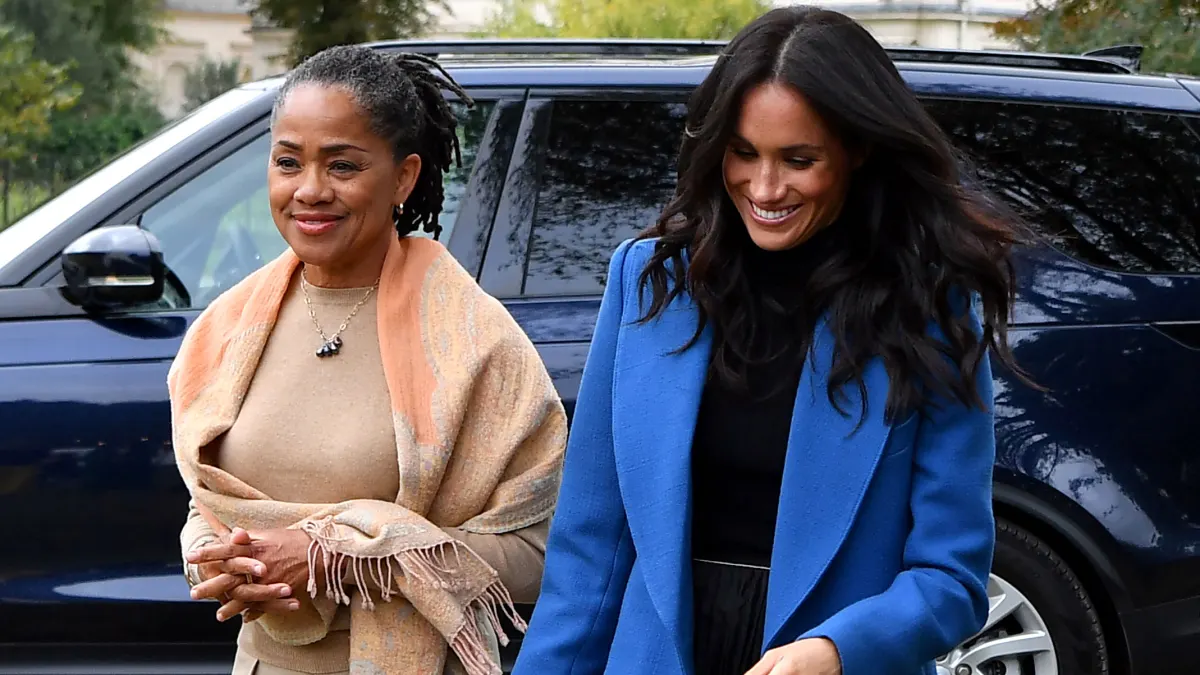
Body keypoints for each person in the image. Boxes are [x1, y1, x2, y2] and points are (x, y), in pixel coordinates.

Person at [512, 6, 1026, 675]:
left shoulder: (927, 307)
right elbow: (589, 555)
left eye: (799, 160)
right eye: (744, 152)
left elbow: (951, 580)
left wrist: (838, 650)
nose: (764, 187)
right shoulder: (649, 282)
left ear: (858, 150)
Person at [169, 45, 567, 675]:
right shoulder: (229, 328)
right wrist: (215, 560)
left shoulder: (475, 342)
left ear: (403, 178)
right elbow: (211, 503)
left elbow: (540, 556)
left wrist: (337, 557)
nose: (309, 190)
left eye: (343, 166)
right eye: (288, 162)